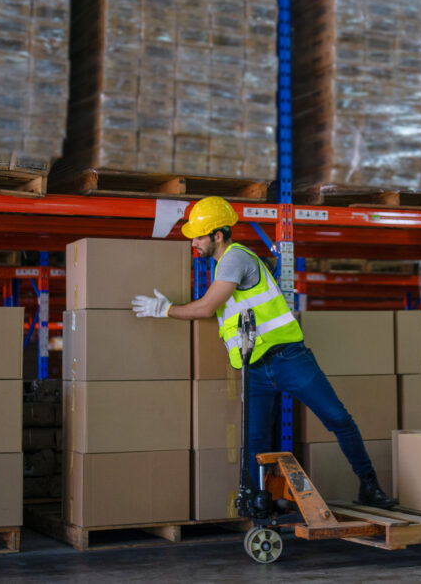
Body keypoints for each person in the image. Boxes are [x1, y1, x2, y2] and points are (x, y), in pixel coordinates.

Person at [131, 195, 397, 509]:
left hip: (288, 359)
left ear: (218, 235)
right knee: (254, 441)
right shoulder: (223, 269)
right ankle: (256, 498)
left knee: (338, 418)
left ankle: (369, 485)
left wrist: (166, 310)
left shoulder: (235, 258)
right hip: (254, 368)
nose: (194, 243)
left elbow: (205, 308)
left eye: (199, 236)